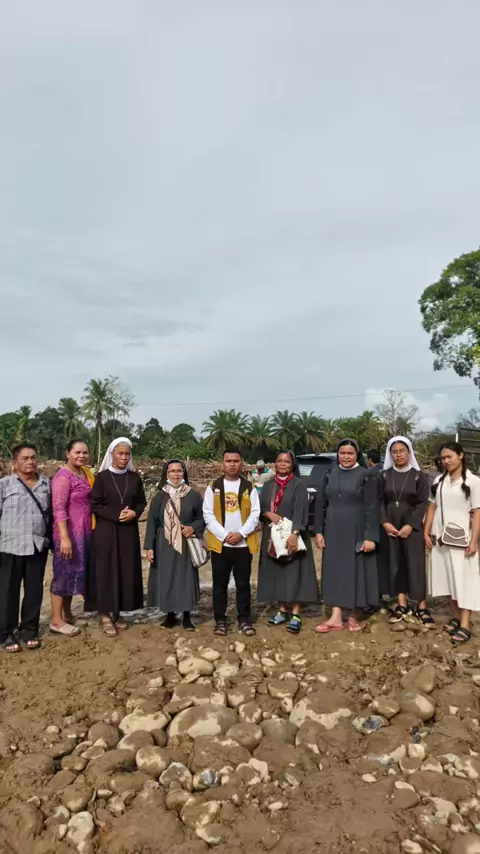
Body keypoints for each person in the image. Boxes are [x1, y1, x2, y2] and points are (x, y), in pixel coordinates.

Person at [314, 438, 379, 633]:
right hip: (333, 529)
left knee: (354, 570)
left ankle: (353, 614)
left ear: (357, 454)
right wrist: (318, 531)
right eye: (342, 453)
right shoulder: (329, 474)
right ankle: (335, 616)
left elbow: (372, 508)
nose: (346, 457)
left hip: (356, 528)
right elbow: (320, 505)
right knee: (334, 570)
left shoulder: (366, 475)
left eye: (350, 453)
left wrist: (370, 536)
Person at [86, 438, 146, 637]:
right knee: (105, 570)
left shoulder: (135, 478)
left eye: (127, 454)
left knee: (124, 570)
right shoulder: (102, 478)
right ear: (112, 454)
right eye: (120, 453)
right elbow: (95, 505)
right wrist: (115, 515)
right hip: (106, 530)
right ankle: (104, 614)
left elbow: (141, 502)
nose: (124, 457)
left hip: (128, 531)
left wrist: (134, 513)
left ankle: (118, 612)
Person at [257, 450, 318, 633]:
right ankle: (282, 610)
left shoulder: (298, 484)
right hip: (272, 535)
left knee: (295, 572)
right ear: (275, 463)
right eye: (280, 461)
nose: (283, 464)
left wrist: (295, 533)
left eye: (287, 462)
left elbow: (301, 511)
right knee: (278, 571)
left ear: (292, 465)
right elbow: (259, 508)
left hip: (294, 535)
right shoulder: (268, 485)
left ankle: (296, 613)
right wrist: (267, 514)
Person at [425, 441, 480, 645]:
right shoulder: (439, 480)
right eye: (443, 458)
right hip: (441, 538)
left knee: (464, 581)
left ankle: (465, 624)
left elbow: (477, 512)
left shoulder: (473, 482)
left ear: (461, 455)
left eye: (450, 457)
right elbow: (432, 507)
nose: (446, 461)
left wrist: (474, 541)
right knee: (447, 580)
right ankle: (456, 617)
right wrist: (427, 531)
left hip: (462, 540)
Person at [0, 444, 51, 652]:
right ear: (15, 462)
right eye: (25, 458)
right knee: (7, 591)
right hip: (9, 546)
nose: (30, 461)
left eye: (33, 457)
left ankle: (29, 630)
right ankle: (6, 633)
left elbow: (51, 515)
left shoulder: (46, 485)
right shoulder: (4, 485)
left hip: (37, 545)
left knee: (34, 590)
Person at [203, 448, 260, 636]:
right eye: (228, 461)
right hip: (221, 545)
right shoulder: (213, 487)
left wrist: (241, 534)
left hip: (243, 545)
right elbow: (208, 514)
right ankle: (220, 620)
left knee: (243, 584)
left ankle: (244, 619)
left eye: (236, 461)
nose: (232, 464)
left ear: (241, 463)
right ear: (222, 464)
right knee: (220, 584)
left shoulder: (249, 487)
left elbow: (255, 514)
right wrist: (225, 535)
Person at [145, 459, 205, 631]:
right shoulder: (160, 496)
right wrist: (149, 547)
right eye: (172, 471)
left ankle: (187, 616)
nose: (176, 474)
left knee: (185, 577)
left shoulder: (193, 496)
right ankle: (170, 615)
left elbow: (202, 518)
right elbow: (152, 522)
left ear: (184, 473)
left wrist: (192, 528)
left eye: (179, 471)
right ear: (167, 474)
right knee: (167, 577)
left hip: (186, 543)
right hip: (164, 544)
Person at [378, 437, 432, 626]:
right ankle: (402, 604)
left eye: (402, 451)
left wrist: (410, 525)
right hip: (391, 525)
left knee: (415, 564)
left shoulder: (419, 476)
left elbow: (423, 503)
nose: (398, 455)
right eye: (394, 452)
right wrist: (385, 522)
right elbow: (379, 501)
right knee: (396, 563)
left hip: (412, 526)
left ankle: (421, 605)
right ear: (390, 454)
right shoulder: (383, 476)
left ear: (409, 452)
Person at [50, 439, 94, 636]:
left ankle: (67, 614)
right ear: (67, 454)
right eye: (77, 452)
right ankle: (56, 620)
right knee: (63, 573)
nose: (81, 456)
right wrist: (64, 537)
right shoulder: (63, 477)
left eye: (85, 452)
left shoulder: (84, 473)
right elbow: (58, 508)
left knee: (74, 572)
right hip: (68, 533)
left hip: (84, 533)